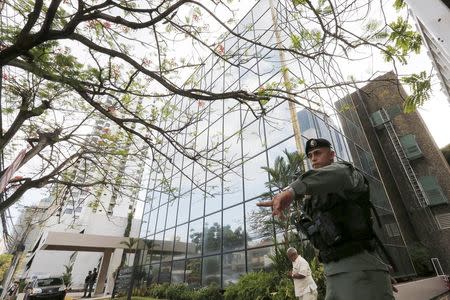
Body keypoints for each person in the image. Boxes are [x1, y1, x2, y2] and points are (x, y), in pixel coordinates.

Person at [258, 138, 395, 300]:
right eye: (310, 155)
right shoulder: (313, 197)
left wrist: (291, 192)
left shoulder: (349, 175)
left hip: (357, 272)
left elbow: (338, 175)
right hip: (335, 273)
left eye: (318, 153)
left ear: (332, 155)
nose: (313, 158)